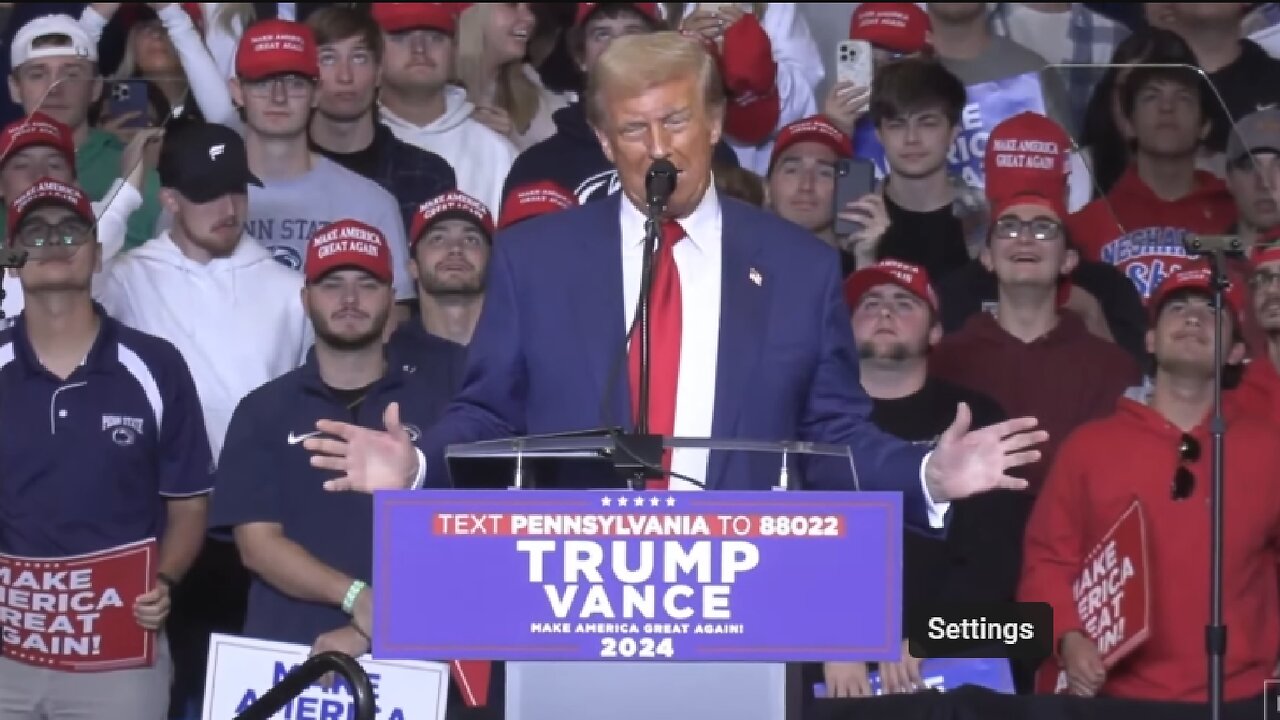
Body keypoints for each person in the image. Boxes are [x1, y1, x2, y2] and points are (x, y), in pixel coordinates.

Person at [304, 33, 1047, 529]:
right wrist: (420, 463)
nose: (659, 148)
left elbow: (831, 439)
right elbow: (493, 418)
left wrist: (928, 477)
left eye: (677, 122)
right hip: (571, 593)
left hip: (739, 595)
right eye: (633, 130)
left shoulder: (799, 268)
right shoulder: (537, 259)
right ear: (602, 141)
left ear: (717, 122)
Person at [206, 219, 460, 708]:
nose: (349, 298)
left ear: (392, 301)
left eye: (367, 284)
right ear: (305, 299)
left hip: (411, 662)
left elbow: (458, 538)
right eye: (332, 284)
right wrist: (358, 599)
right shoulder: (263, 409)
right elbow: (257, 545)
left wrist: (372, 625)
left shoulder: (441, 408)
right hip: (284, 660)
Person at [0, 178, 213, 719]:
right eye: (36, 232)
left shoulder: (156, 366)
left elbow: (189, 503)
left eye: (72, 229)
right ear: (13, 257)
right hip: (7, 648)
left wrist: (165, 580)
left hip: (119, 651)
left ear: (97, 254)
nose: (56, 242)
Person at [1019, 266, 1279, 706]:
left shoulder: (1269, 448)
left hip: (1240, 695)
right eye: (1177, 308)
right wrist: (1067, 637)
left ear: (1237, 352)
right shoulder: (1088, 447)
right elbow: (1046, 562)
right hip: (1117, 695)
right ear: (1150, 340)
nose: (1193, 318)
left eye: (1211, 310)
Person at [821, 259, 1019, 698]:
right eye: (869, 303)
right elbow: (783, 543)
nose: (885, 312)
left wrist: (936, 633)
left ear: (935, 332)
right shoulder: (810, 419)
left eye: (904, 303)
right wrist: (830, 638)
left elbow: (995, 557)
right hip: (832, 665)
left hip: (947, 660)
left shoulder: (976, 418)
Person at [931, 111, 1142, 494]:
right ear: (987, 255)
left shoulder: (1112, 366)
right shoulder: (944, 359)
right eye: (1009, 227)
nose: (1025, 239)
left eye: (1043, 229)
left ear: (1069, 258)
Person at [229, 18, 415, 307]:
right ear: (237, 91)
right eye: (263, 82)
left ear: (316, 93)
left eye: (294, 83)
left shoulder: (371, 204)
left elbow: (394, 317)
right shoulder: (198, 201)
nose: (279, 97)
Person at [1068, 56, 1236, 302]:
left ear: (1205, 126)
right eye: (1151, 97)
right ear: (1128, 124)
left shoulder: (1234, 216)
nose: (1167, 107)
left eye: (1183, 97)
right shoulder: (1085, 226)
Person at [5, 13, 162, 249]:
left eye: (71, 74)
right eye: (38, 74)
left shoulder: (137, 168)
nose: (54, 89)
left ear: (96, 88)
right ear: (15, 88)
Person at [306, 6, 457, 232]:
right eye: (328, 59)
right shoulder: (275, 173)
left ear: (378, 72)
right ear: (306, 72)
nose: (345, 76)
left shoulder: (428, 175)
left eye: (359, 58)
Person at [372, 3, 517, 215]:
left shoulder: (497, 154)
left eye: (435, 36)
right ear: (374, 51)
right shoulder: (352, 145)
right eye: (401, 36)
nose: (419, 49)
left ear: (454, 48)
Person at [0, 110, 146, 319]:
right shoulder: (8, 256)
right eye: (21, 165)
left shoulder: (93, 236)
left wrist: (131, 177)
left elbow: (104, 227)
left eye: (54, 165)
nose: (40, 175)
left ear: (74, 183)